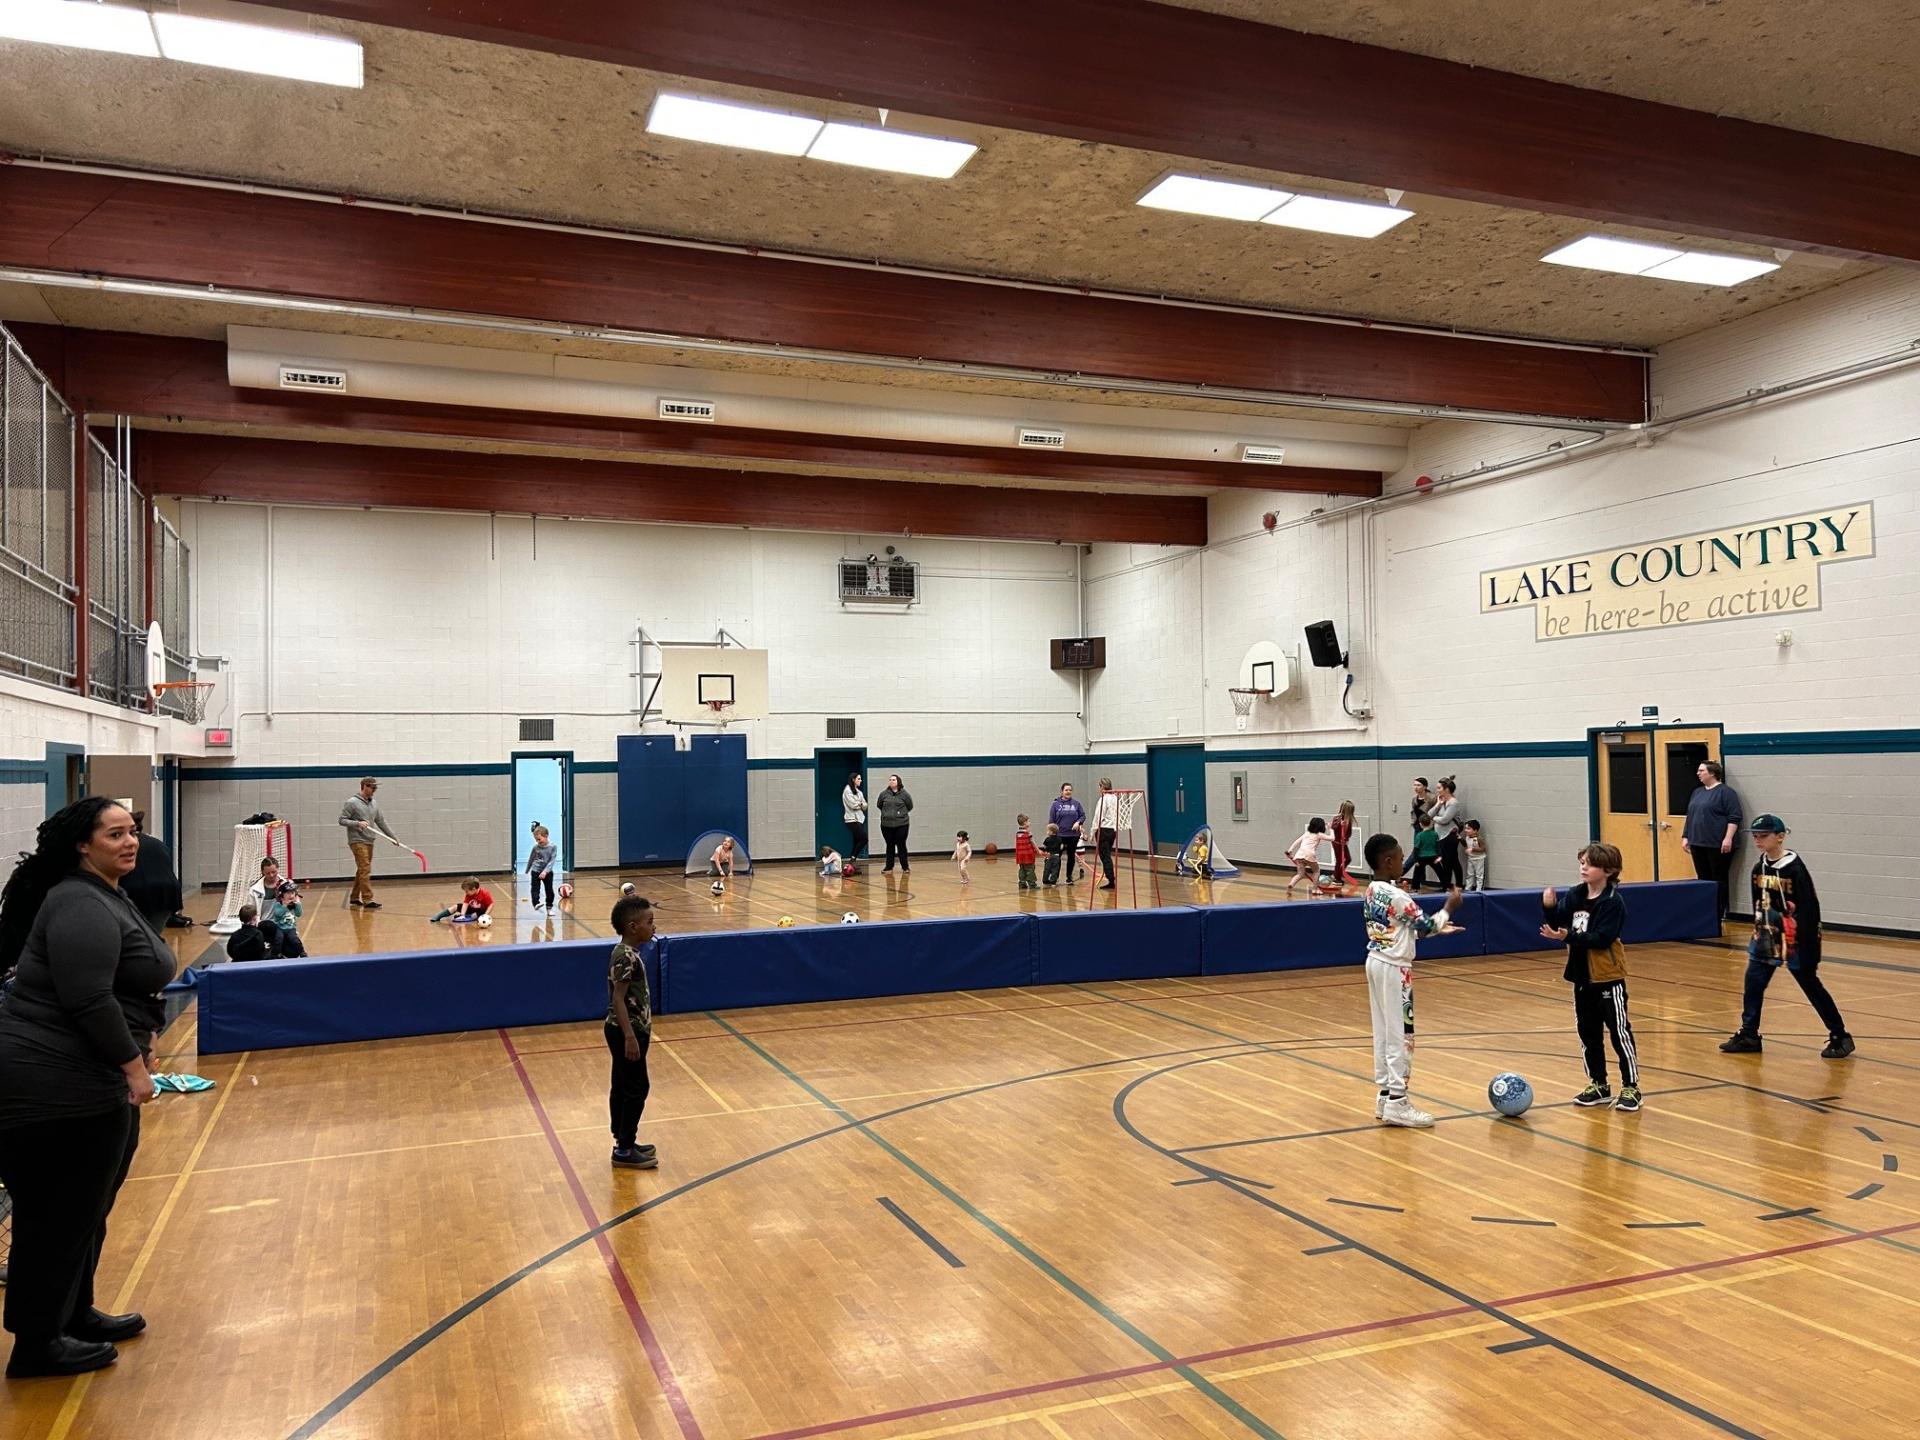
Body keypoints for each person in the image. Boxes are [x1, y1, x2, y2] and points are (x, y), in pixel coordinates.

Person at [0, 797, 173, 1378]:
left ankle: (73, 1314)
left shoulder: (106, 893)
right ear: (83, 844)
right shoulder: (77, 900)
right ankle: (37, 1343)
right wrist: (134, 1067)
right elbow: (87, 998)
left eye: (134, 831)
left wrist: (140, 1038)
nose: (130, 842)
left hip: (87, 1079)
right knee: (55, 1214)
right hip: (53, 1085)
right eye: (115, 834)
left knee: (84, 1209)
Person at [1720, 815, 1854, 1059]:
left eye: (1764, 836)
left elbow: (1810, 910)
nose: (1758, 840)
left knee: (1810, 985)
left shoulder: (1795, 870)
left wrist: (1808, 945)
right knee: (1753, 984)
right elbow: (1758, 905)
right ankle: (1749, 1034)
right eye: (1755, 836)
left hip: (1796, 940)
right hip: (1765, 938)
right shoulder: (1758, 868)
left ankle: (1840, 1035)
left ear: (1780, 836)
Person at [1360, 833, 1463, 1129]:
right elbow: (1427, 924)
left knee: (1383, 1031)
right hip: (1395, 969)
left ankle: (1384, 1096)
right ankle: (1398, 1102)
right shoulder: (1397, 895)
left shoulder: (1372, 890)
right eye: (1400, 856)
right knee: (1401, 1035)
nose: (1405, 862)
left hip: (1376, 961)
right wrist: (1449, 908)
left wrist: (1434, 929)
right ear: (1388, 861)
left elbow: (1397, 927)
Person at [1541, 843, 1641, 1112]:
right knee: (1588, 1033)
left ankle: (1631, 1086)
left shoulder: (1612, 902)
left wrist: (1567, 936)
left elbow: (1601, 938)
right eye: (1582, 862)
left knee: (1619, 1033)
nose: (1583, 867)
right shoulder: (1576, 894)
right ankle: (1598, 1083)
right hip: (1581, 976)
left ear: (1608, 870)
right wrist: (1549, 907)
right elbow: (1558, 920)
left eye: (1590, 864)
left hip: (1607, 977)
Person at [605, 894, 660, 1170]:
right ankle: (624, 1149)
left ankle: (624, 1139)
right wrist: (629, 1036)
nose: (654, 927)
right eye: (649, 922)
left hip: (631, 1029)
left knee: (624, 1084)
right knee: (637, 1087)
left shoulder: (629, 954)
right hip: (627, 1031)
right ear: (632, 927)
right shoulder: (624, 957)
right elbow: (618, 999)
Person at [1680, 760, 1743, 922]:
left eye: (1702, 770)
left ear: (1712, 773)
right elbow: (1691, 815)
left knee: (1718, 878)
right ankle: (1705, 911)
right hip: (1698, 842)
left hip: (1717, 844)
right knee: (1703, 878)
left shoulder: (1726, 792)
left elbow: (1734, 817)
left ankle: (1719, 911)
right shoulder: (1697, 792)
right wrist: (1686, 836)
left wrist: (1728, 838)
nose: (1698, 773)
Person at [338, 776, 398, 910]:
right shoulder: (351, 802)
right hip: (357, 840)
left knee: (362, 870)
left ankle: (354, 897)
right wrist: (357, 823)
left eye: (376, 787)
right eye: (372, 787)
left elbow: (381, 821)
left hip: (370, 840)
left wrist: (392, 837)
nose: (375, 789)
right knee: (365, 869)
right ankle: (367, 899)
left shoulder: (374, 803)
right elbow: (342, 820)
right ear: (364, 786)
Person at [120, 811, 182, 933]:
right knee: (154, 934)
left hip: (137, 892)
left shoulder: (126, 846)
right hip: (167, 893)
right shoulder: (158, 843)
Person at [1046, 784, 1085, 885]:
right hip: (1059, 836)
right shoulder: (1055, 804)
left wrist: (1078, 822)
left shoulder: (1076, 804)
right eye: (1066, 790)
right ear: (1062, 791)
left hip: (1073, 835)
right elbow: (1051, 820)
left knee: (1071, 856)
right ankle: (1055, 877)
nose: (1068, 792)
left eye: (1070, 790)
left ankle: (1069, 877)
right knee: (1056, 857)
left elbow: (1082, 816)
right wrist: (1052, 834)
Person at [1431, 776, 1464, 889]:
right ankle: (1447, 885)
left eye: (1439, 788)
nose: (1437, 790)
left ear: (1447, 789)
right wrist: (1438, 805)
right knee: (1446, 861)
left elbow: (1445, 820)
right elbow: (1429, 814)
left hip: (1450, 835)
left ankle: (1458, 885)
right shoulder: (1441, 801)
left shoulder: (1453, 803)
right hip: (1440, 836)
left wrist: (1435, 818)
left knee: (1453, 861)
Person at [876, 774, 914, 873]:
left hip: (902, 824)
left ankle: (905, 867)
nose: (891, 781)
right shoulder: (883, 794)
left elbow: (910, 806)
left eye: (893, 779)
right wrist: (887, 814)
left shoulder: (904, 794)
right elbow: (879, 805)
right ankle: (889, 867)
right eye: (890, 780)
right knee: (890, 845)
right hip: (886, 825)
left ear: (898, 782)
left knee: (901, 845)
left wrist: (900, 814)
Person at [1090, 779, 1120, 890]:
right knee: (1106, 854)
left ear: (1102, 787)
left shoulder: (1103, 799)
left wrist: (1092, 832)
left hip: (1103, 830)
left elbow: (1098, 817)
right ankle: (1110, 877)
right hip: (1113, 830)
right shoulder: (1115, 798)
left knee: (1105, 855)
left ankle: (1111, 879)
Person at [264, 883, 307, 959]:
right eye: (288, 893)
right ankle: (277, 953)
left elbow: (299, 914)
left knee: (294, 940)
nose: (290, 895)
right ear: (282, 895)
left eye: (292, 893)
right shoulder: (278, 904)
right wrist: (285, 906)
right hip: (280, 928)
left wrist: (298, 904)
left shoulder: (294, 905)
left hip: (291, 928)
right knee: (278, 940)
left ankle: (302, 951)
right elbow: (278, 915)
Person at [1286, 818, 1328, 892]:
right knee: (1316, 871)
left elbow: (1297, 841)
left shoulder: (1307, 833)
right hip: (1309, 855)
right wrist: (1332, 829)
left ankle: (1291, 884)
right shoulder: (1319, 834)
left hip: (1299, 854)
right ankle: (1315, 890)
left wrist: (1290, 850)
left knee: (1300, 874)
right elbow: (1332, 838)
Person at [1402, 815, 1442, 891]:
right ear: (1431, 823)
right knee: (1440, 872)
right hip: (1433, 856)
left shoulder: (1419, 835)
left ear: (1420, 824)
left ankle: (1415, 888)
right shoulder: (1435, 834)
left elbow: (1416, 848)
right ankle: (1445, 886)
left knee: (1417, 873)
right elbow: (1437, 846)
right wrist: (1439, 856)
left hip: (1421, 857)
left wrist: (1416, 860)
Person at [527, 825, 559, 914]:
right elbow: (531, 858)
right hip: (536, 871)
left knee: (549, 891)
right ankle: (536, 903)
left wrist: (545, 871)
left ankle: (549, 908)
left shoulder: (553, 847)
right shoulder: (536, 847)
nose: (537, 841)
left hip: (547, 872)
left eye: (539, 839)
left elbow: (552, 861)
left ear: (546, 836)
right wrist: (528, 869)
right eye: (536, 840)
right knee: (535, 889)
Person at [842, 773, 869, 864]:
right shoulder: (847, 790)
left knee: (857, 840)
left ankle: (852, 863)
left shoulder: (859, 792)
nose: (860, 780)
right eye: (859, 779)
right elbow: (853, 805)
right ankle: (852, 858)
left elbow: (865, 806)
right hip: (851, 820)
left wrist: (861, 804)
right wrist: (860, 803)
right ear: (853, 779)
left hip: (859, 819)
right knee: (864, 839)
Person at [1330, 800, 1356, 886]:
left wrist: (1346, 838)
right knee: (1339, 860)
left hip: (1343, 843)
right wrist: (1340, 825)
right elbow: (1333, 827)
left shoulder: (1349, 820)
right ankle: (1336, 877)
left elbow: (1349, 832)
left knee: (1348, 859)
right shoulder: (1337, 818)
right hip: (1336, 842)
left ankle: (1336, 874)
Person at [1013, 815, 1039, 890]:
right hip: (1027, 854)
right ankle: (1032, 884)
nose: (1030, 822)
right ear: (1025, 823)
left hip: (1020, 854)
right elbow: (1033, 842)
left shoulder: (1017, 832)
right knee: (1030, 869)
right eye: (1028, 821)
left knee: (1022, 869)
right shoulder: (1028, 832)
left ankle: (1022, 883)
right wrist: (1038, 850)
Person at [1462, 820, 1489, 891]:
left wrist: (1473, 849)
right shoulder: (1467, 837)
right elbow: (1466, 844)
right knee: (1469, 874)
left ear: (1475, 830)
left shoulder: (1479, 838)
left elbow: (1483, 849)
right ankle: (1468, 888)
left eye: (1468, 829)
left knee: (1479, 875)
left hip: (1479, 859)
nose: (1466, 830)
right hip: (1470, 858)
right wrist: (1460, 839)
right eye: (1465, 828)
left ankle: (1479, 890)